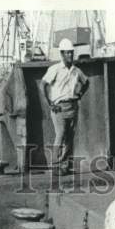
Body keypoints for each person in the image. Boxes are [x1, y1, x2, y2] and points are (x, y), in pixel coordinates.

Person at [40, 38, 89, 174]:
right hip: (59, 107)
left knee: (70, 137)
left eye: (71, 53)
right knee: (60, 135)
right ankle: (55, 165)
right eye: (67, 53)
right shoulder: (55, 69)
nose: (70, 56)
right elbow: (42, 85)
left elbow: (86, 82)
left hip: (72, 106)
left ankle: (65, 165)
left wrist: (80, 94)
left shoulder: (76, 71)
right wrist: (50, 103)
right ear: (61, 54)